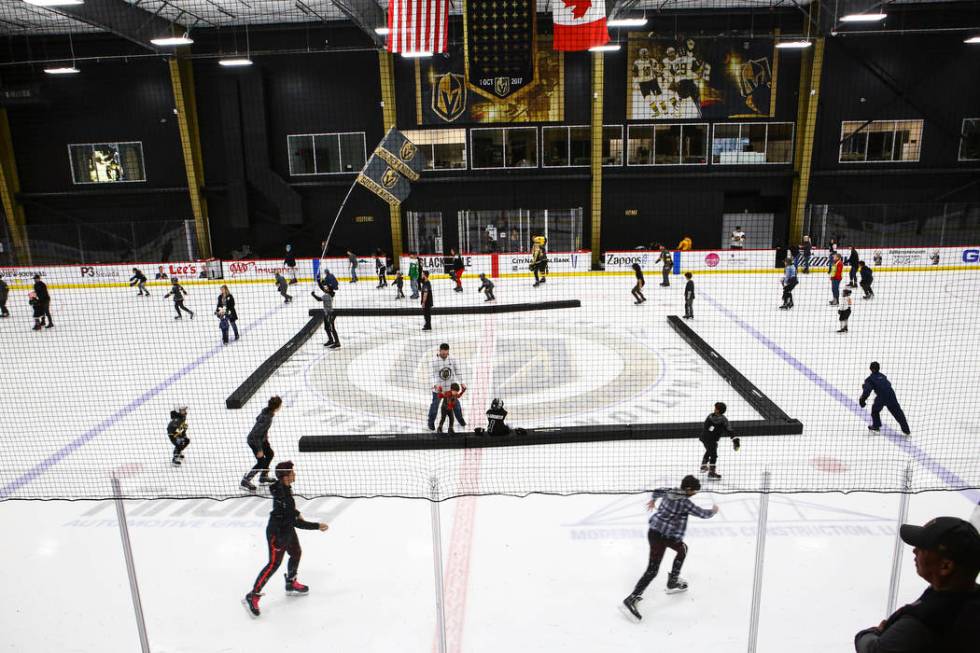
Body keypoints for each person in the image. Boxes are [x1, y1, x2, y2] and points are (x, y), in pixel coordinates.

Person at [854, 517, 980, 653]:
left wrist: (871, 633)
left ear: (945, 566)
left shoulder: (919, 625)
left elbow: (873, 649)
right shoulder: (969, 598)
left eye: (923, 547)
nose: (915, 550)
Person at [622, 475, 720, 621]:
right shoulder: (685, 503)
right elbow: (702, 514)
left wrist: (653, 500)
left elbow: (656, 491)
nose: (694, 494)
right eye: (694, 491)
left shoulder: (669, 491)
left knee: (682, 549)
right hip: (662, 538)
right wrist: (713, 511)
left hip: (656, 533)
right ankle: (632, 598)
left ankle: (672, 581)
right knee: (653, 570)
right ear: (687, 489)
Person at [244, 461, 330, 618]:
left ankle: (290, 582)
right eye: (292, 473)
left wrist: (295, 512)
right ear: (285, 476)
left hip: (287, 528)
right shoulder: (281, 493)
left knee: (296, 553)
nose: (294, 474)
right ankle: (253, 595)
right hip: (277, 534)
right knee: (273, 565)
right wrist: (318, 525)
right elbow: (298, 523)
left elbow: (288, 508)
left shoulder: (283, 488)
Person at [241, 396, 283, 492]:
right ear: (277, 407)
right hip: (254, 441)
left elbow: (257, 419)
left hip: (262, 439)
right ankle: (246, 480)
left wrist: (264, 433)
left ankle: (263, 476)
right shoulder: (268, 418)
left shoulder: (266, 411)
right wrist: (259, 450)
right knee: (261, 462)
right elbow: (256, 435)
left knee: (270, 454)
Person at [859, 362, 911, 435]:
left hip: (881, 396)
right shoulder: (883, 376)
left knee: (875, 410)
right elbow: (888, 384)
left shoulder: (870, 379)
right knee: (898, 413)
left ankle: (876, 426)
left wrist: (862, 399)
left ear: (870, 369)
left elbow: (867, 390)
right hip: (891, 394)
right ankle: (906, 430)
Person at [428, 343, 466, 430]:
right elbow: (431, 375)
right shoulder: (434, 361)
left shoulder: (452, 359)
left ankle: (460, 419)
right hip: (439, 390)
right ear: (440, 350)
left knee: (456, 406)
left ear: (448, 351)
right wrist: (434, 385)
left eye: (446, 352)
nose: (445, 354)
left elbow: (458, 371)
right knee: (434, 407)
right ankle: (431, 422)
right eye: (443, 353)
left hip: (451, 389)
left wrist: (462, 382)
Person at [700, 402, 740, 480]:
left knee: (710, 450)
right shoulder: (711, 417)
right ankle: (711, 472)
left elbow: (729, 430)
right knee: (713, 454)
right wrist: (713, 428)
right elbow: (706, 427)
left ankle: (704, 466)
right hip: (706, 438)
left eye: (715, 408)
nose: (714, 409)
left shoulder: (722, 420)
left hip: (711, 439)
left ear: (718, 410)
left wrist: (734, 438)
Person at [311, 278, 339, 349]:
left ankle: (337, 342)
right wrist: (319, 282)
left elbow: (318, 299)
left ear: (329, 289)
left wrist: (313, 295)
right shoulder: (329, 293)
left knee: (332, 328)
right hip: (327, 314)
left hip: (330, 314)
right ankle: (331, 340)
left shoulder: (326, 296)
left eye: (326, 288)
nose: (325, 288)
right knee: (326, 328)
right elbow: (322, 288)